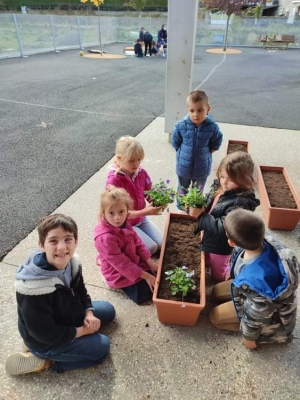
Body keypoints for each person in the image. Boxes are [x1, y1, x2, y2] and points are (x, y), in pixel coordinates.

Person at [5, 214, 116, 376]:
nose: (62, 247)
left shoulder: (72, 263)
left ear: (76, 241)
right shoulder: (32, 288)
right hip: (45, 339)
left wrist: (89, 313)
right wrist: (83, 331)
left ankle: (57, 347)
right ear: (41, 245)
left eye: (68, 239)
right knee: (102, 348)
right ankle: (48, 361)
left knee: (108, 311)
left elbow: (81, 290)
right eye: (53, 241)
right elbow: (45, 333)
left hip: (66, 314)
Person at [209, 208, 300, 349]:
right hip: (249, 287)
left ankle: (266, 337)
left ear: (231, 242)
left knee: (215, 317)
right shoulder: (257, 239)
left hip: (268, 314)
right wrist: (233, 271)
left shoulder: (259, 283)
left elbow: (257, 316)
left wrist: (249, 337)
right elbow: (238, 254)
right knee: (215, 291)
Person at [194, 151, 260, 282]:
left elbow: (223, 229)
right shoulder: (220, 186)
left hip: (221, 246)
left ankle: (224, 277)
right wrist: (197, 204)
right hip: (209, 237)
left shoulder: (240, 203)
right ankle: (209, 264)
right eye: (222, 176)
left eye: (231, 180)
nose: (224, 182)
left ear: (244, 179)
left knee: (218, 272)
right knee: (205, 258)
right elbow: (209, 201)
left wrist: (201, 215)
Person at [94, 186, 158, 305]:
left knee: (157, 275)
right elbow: (121, 264)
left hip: (131, 259)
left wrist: (149, 262)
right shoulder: (105, 237)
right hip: (117, 270)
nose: (117, 218)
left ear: (127, 211)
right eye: (111, 213)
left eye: (121, 212)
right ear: (103, 213)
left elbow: (137, 242)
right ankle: (107, 279)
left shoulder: (125, 221)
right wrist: (147, 276)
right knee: (144, 294)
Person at [106, 135, 163, 255]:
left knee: (162, 243)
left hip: (141, 218)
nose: (136, 164)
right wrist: (146, 211)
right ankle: (124, 247)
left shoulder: (140, 172)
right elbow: (119, 213)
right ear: (119, 158)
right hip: (124, 223)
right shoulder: (114, 181)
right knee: (151, 248)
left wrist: (157, 201)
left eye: (139, 159)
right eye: (131, 160)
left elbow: (148, 192)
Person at [172, 90, 223, 209]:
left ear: (208, 109)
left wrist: (206, 153)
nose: (196, 114)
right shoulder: (181, 126)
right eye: (192, 110)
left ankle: (194, 209)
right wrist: (183, 155)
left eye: (200, 110)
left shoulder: (212, 127)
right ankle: (181, 209)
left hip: (202, 168)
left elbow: (216, 142)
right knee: (182, 189)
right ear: (187, 110)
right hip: (183, 167)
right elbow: (176, 142)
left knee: (198, 191)